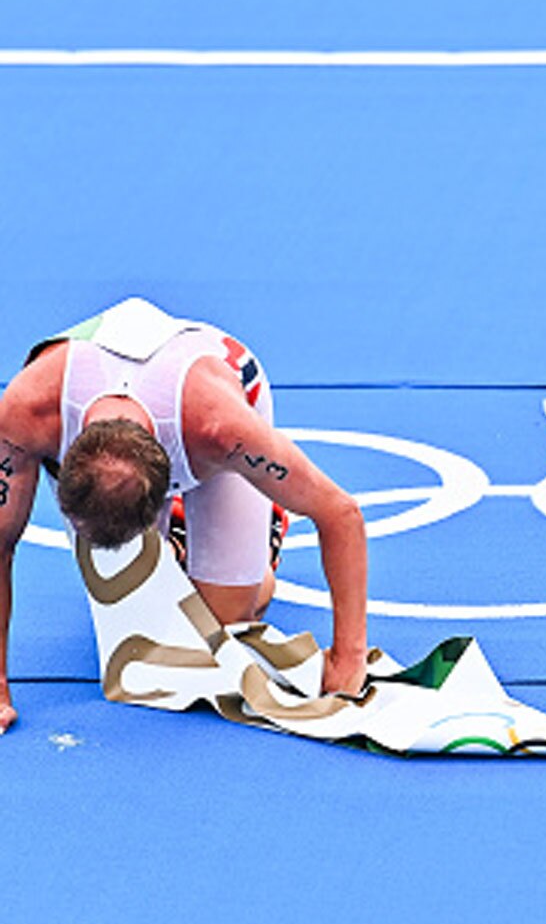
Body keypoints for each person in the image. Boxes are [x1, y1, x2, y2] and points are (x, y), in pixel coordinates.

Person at [0, 297, 368, 733]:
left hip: (214, 393)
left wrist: (349, 658)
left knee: (222, 633)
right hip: (136, 410)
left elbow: (340, 513)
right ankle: (180, 544)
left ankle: (259, 538)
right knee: (149, 639)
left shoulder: (225, 431)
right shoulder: (24, 415)